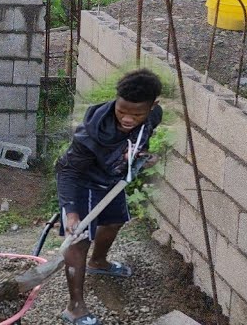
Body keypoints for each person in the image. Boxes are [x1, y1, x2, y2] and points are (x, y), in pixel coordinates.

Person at [54, 69, 164, 325]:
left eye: (136, 114)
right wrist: (71, 213)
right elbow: (68, 171)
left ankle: (99, 262)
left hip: (111, 181)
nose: (127, 118)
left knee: (114, 222)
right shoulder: (90, 135)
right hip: (82, 182)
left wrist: (141, 155)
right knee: (78, 240)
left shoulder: (153, 116)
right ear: (116, 100)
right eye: (122, 111)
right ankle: (75, 307)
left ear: (152, 107)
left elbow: (141, 138)